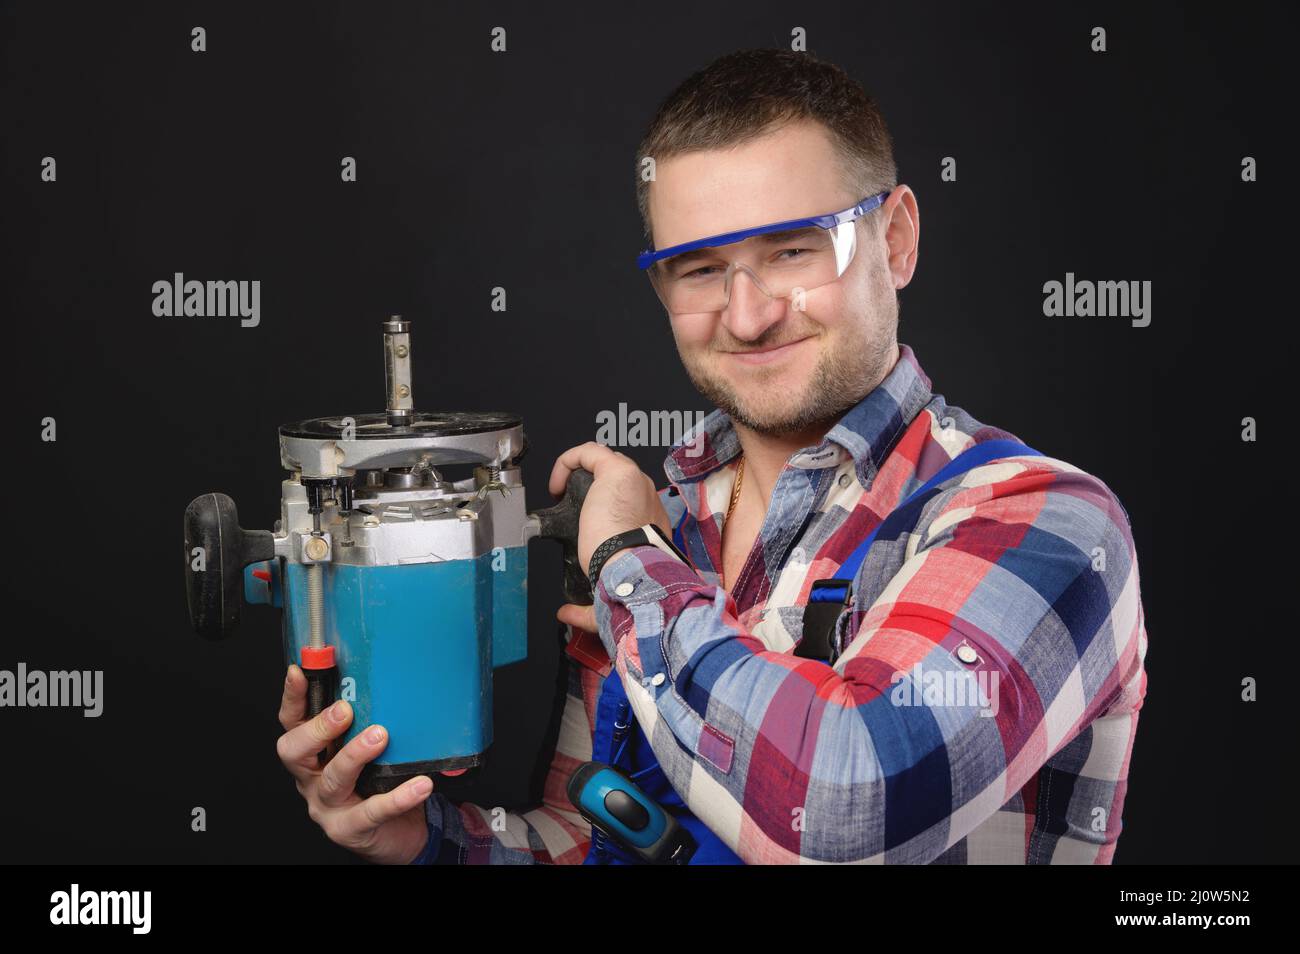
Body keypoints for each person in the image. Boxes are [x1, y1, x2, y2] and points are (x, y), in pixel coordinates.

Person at [275, 48, 1148, 864]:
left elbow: (851, 808)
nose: (746, 314)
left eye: (793, 251)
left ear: (896, 239)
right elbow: (591, 837)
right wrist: (421, 841)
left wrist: (625, 563)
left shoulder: (1042, 520)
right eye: (698, 269)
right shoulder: (670, 527)